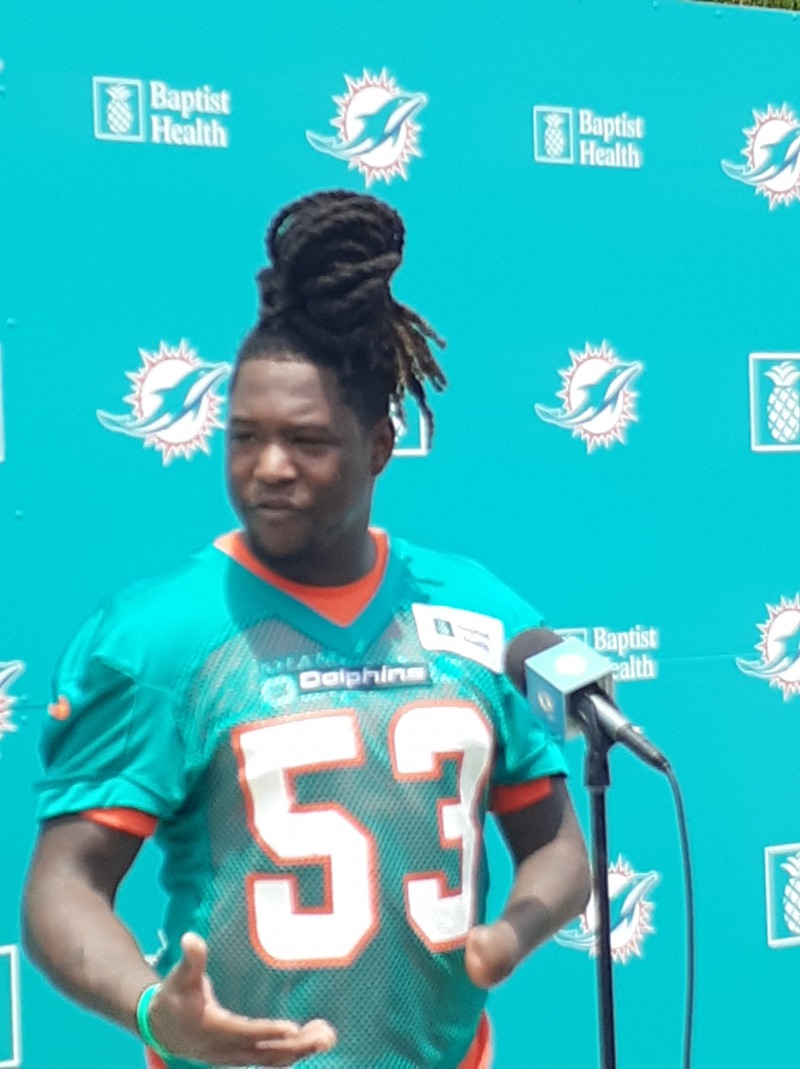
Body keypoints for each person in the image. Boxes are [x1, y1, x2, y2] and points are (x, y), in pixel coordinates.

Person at [23, 189, 591, 1069]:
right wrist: (152, 1008)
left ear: (379, 447)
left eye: (307, 440)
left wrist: (512, 932)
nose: (269, 468)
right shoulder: (158, 637)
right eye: (244, 437)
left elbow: (555, 841)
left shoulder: (484, 614)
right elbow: (65, 882)